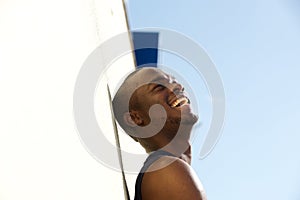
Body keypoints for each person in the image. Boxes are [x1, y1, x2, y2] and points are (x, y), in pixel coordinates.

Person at [112, 67, 207, 200]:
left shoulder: (166, 169)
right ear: (136, 118)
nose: (178, 86)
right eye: (159, 87)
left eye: (174, 81)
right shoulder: (166, 170)